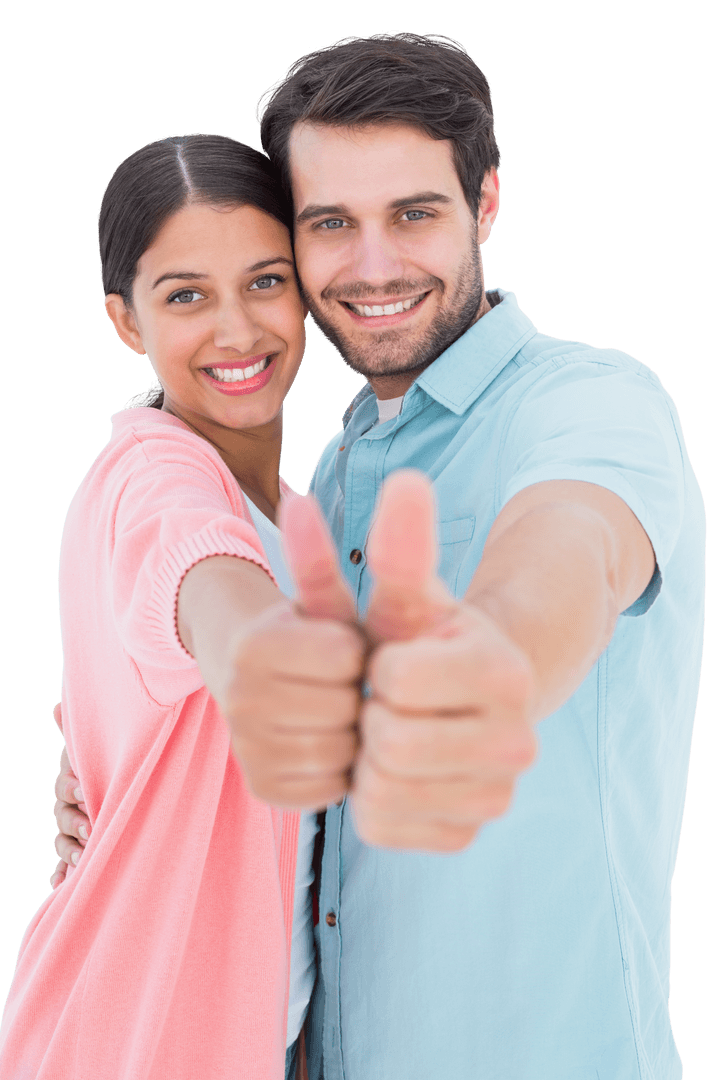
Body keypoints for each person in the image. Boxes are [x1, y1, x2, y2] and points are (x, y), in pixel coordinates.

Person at [51, 32, 705, 1080]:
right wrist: (129, 784)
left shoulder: (591, 402)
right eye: (330, 224)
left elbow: (570, 549)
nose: (371, 266)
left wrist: (489, 664)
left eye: (412, 213)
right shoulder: (326, 478)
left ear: (485, 203)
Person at [0, 132, 368, 1080]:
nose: (237, 331)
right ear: (126, 321)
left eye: (265, 281)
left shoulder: (303, 517)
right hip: (125, 1043)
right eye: (185, 296)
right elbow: (208, 588)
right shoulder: (152, 481)